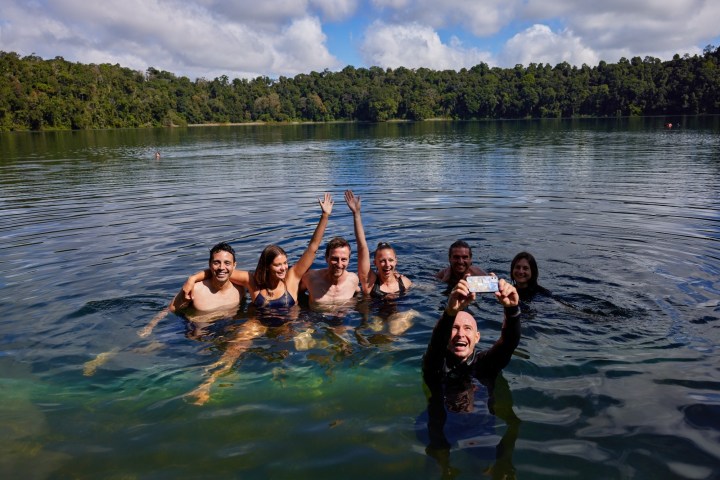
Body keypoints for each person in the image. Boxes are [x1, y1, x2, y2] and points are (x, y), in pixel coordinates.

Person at [181, 193, 334, 311]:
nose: (283, 268)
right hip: (258, 326)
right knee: (234, 349)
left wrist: (325, 216)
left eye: (285, 263)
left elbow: (313, 247)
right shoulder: (252, 281)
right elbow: (222, 271)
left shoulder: (292, 278)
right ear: (267, 266)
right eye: (277, 265)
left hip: (288, 327)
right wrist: (192, 279)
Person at [421, 277, 522, 456]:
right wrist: (449, 312)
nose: (460, 334)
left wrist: (512, 309)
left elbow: (508, 343)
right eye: (454, 328)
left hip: (480, 429)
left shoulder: (485, 364)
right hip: (441, 430)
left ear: (477, 337)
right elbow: (435, 345)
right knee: (438, 465)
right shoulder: (435, 363)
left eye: (467, 328)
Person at [137, 242, 247, 338]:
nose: (222, 267)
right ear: (210, 264)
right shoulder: (195, 289)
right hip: (193, 334)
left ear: (234, 265)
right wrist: (149, 327)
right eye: (216, 262)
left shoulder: (240, 289)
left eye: (227, 263)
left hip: (224, 330)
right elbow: (170, 309)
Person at [344, 190, 412, 298]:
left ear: (396, 261)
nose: (387, 265)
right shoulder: (369, 282)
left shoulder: (404, 282)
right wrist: (356, 214)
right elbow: (362, 246)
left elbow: (422, 289)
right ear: (375, 262)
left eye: (390, 260)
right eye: (382, 261)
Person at [300, 236, 360, 306]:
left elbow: (358, 293)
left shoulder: (353, 280)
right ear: (326, 258)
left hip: (345, 315)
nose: (339, 265)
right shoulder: (311, 278)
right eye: (335, 259)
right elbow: (296, 294)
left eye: (344, 259)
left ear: (349, 260)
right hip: (316, 315)